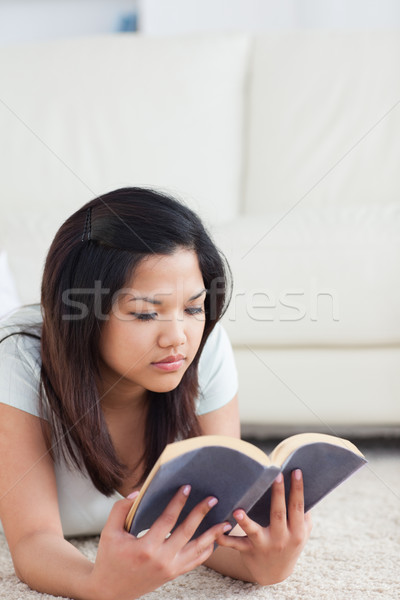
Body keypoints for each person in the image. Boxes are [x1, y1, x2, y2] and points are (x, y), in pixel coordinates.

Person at [0, 187, 312, 599]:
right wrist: (98, 585)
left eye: (194, 308)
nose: (177, 338)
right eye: (146, 313)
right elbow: (32, 541)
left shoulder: (205, 349)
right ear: (82, 316)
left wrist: (264, 564)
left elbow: (211, 524)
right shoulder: (20, 357)